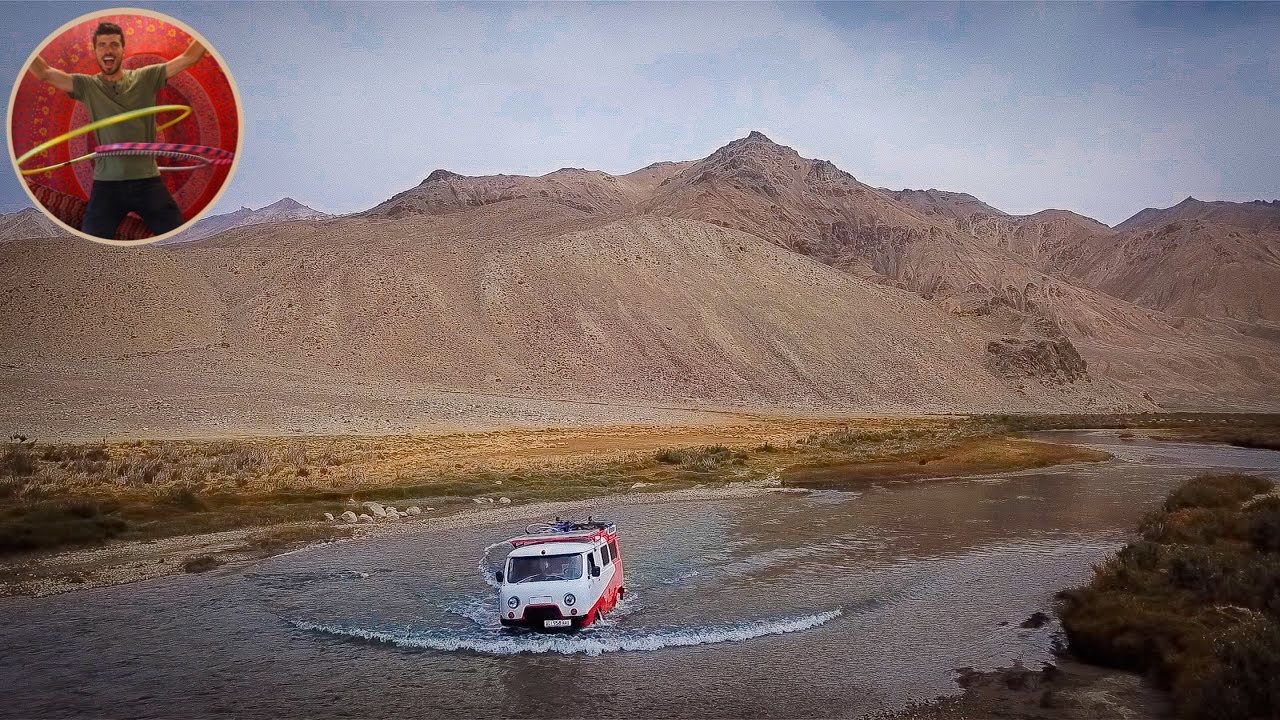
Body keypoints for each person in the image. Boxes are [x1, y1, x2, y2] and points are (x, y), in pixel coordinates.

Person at [27, 21, 207, 239]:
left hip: (147, 181)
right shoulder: (88, 86)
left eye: (114, 44)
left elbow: (189, 58)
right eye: (102, 45)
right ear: (95, 51)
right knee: (90, 245)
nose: (108, 50)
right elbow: (45, 73)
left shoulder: (146, 77)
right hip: (107, 186)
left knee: (178, 238)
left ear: (122, 49)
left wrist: (213, 22)